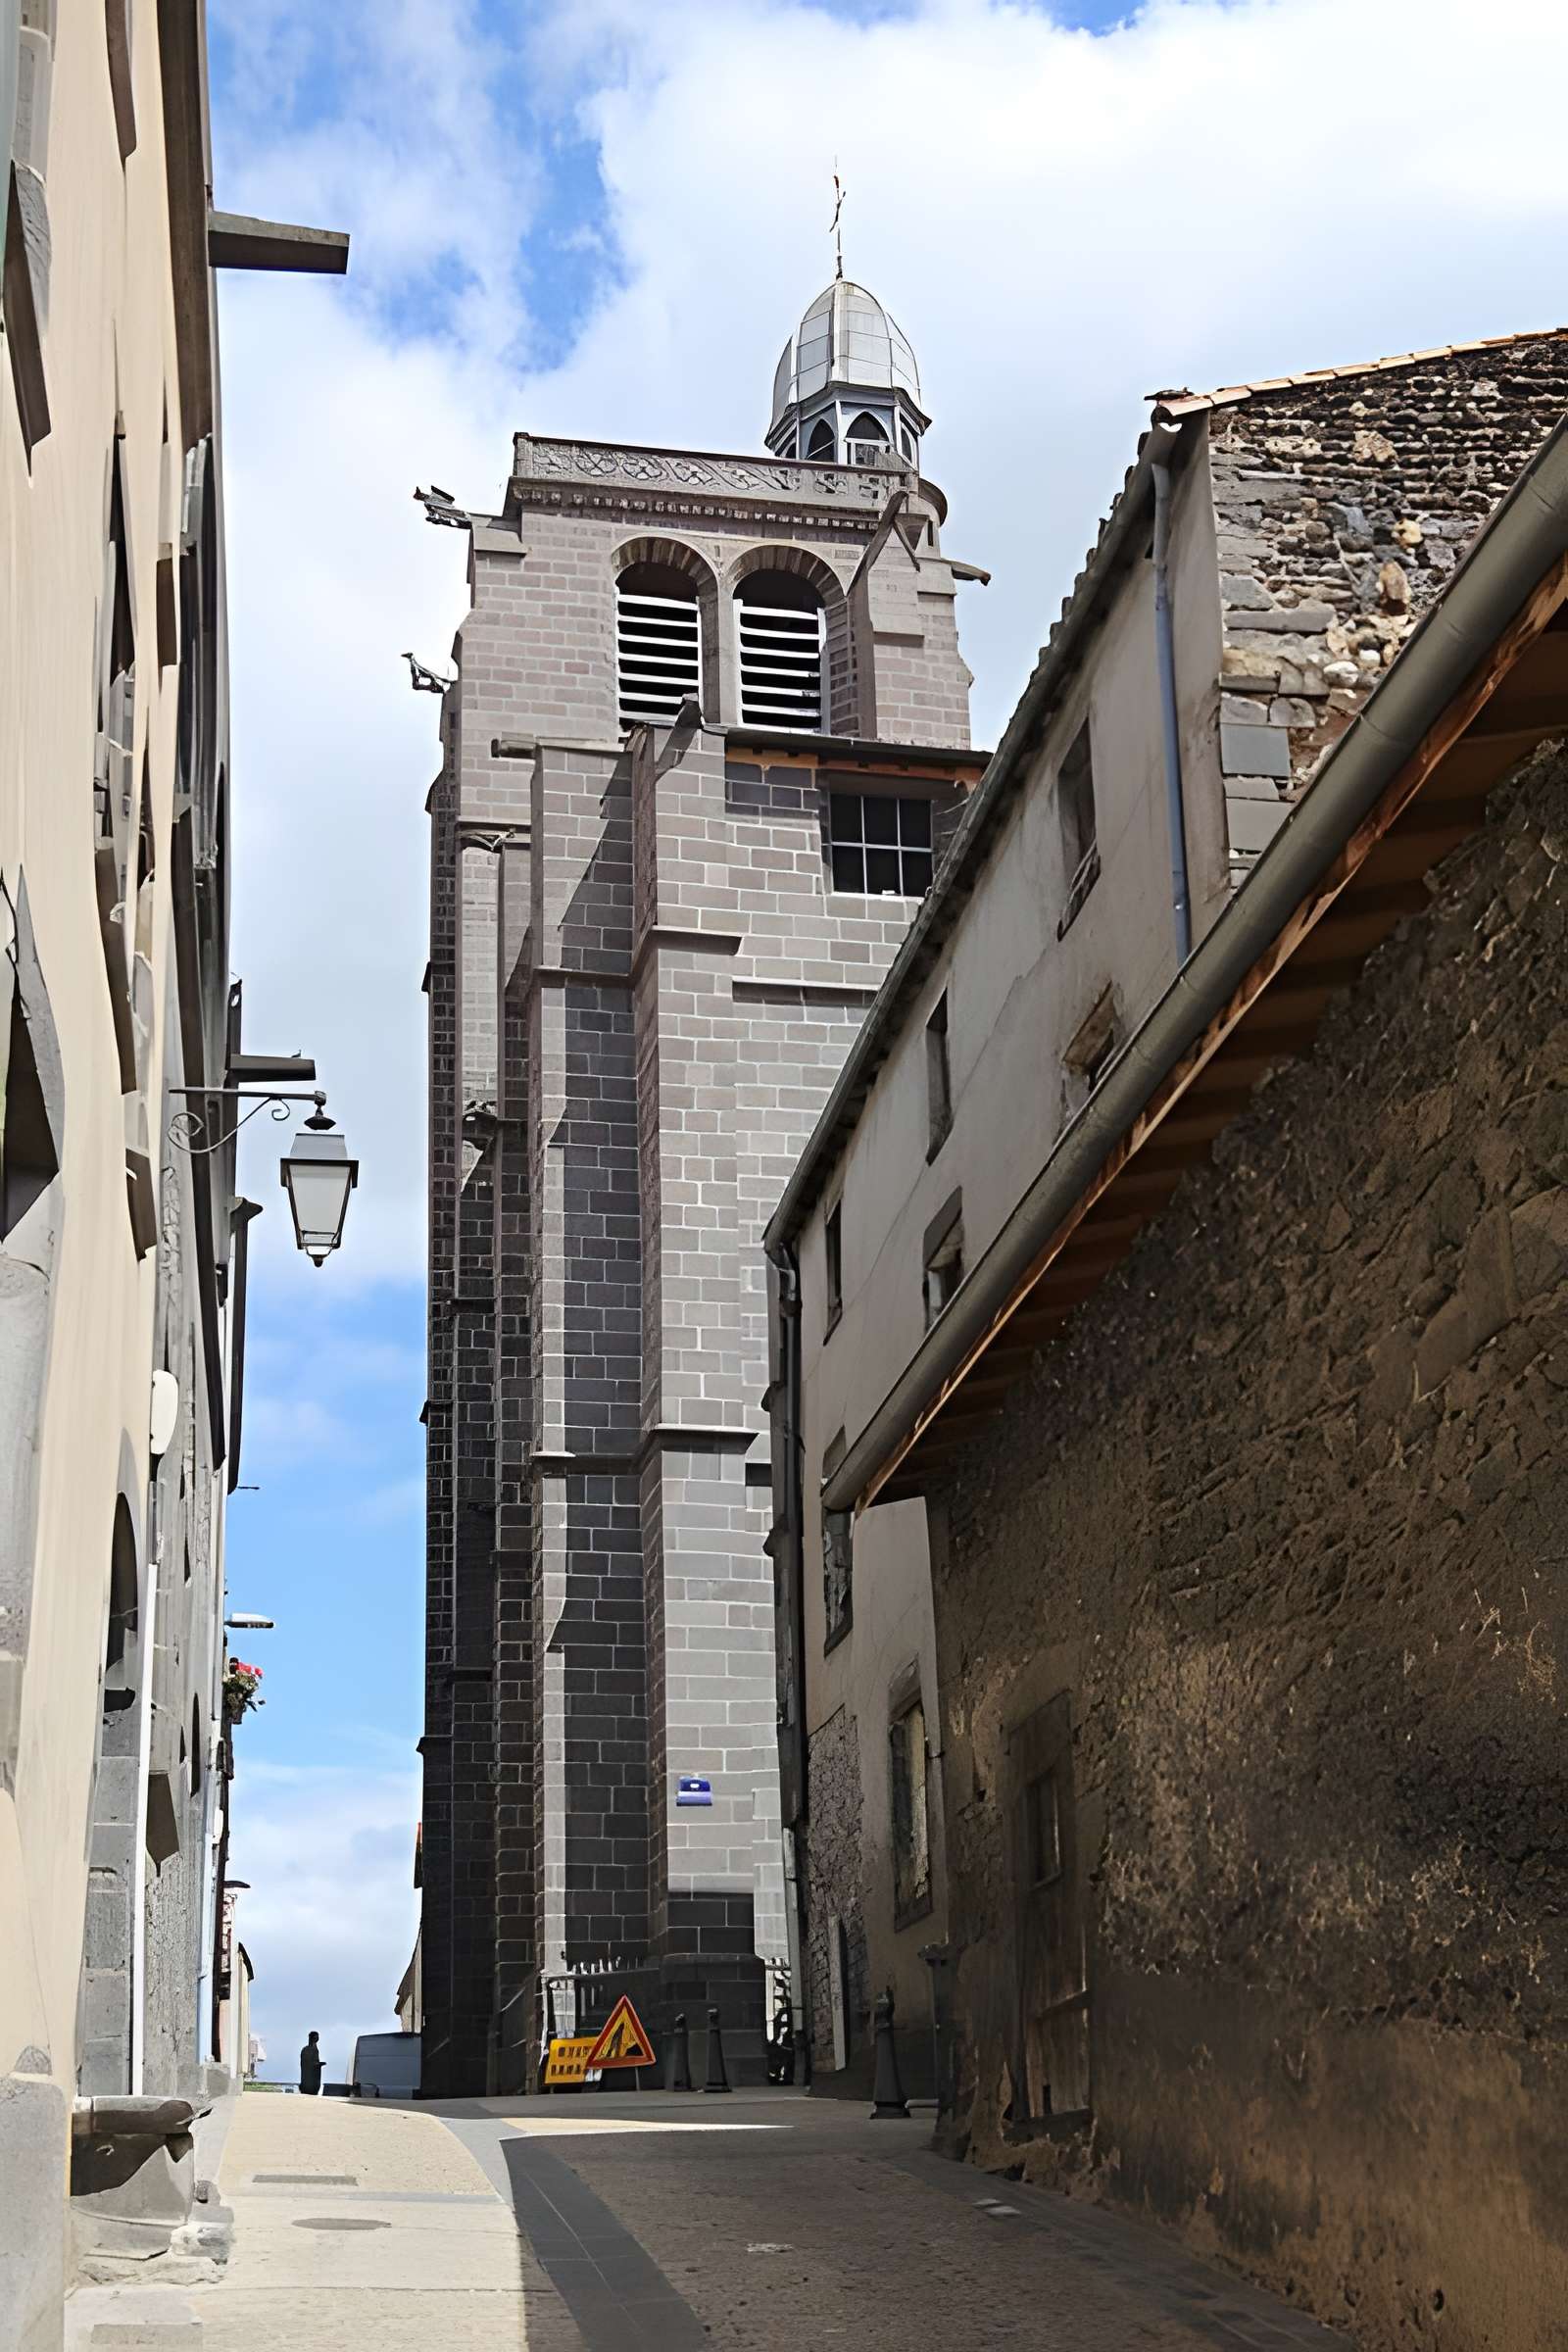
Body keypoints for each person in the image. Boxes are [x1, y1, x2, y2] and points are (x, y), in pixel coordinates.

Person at [299, 2031, 323, 2096]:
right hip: (311, 2082)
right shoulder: (309, 2050)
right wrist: (319, 2064)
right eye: (317, 2037)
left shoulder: (311, 2049)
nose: (318, 2039)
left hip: (308, 2082)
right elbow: (310, 2064)